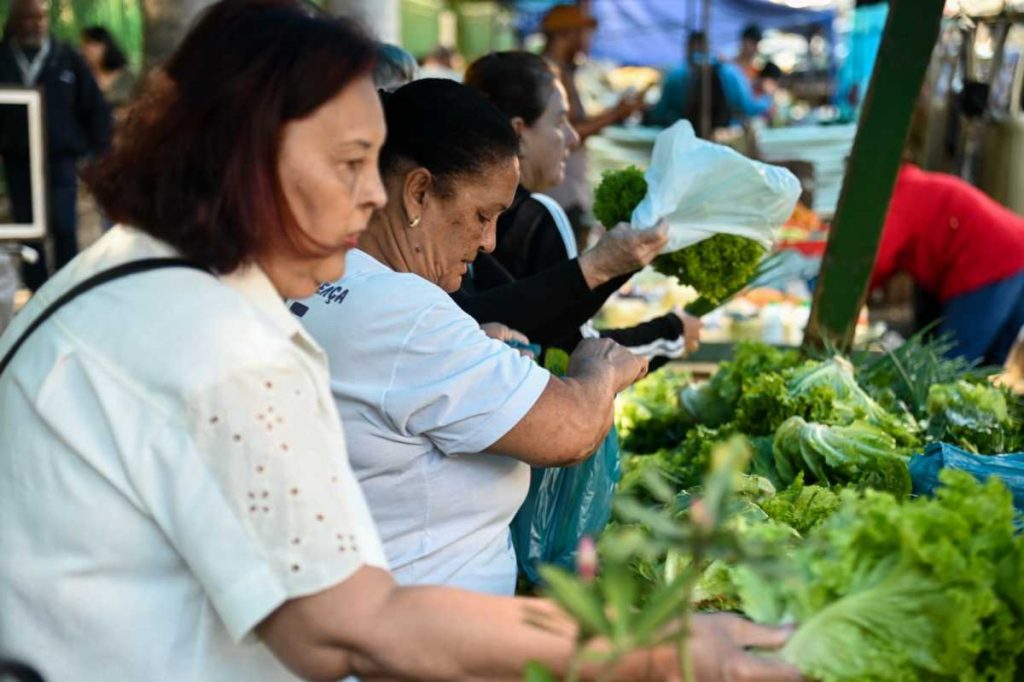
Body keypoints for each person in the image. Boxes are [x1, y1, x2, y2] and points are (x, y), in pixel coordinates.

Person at [0, 2, 803, 681]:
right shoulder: (226, 340)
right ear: (251, 158)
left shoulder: (133, 270)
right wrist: (656, 650)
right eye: (351, 163)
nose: (370, 195)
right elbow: (350, 624)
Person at [291, 78, 649, 596]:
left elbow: (391, 377)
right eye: (484, 215)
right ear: (417, 191)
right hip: (412, 637)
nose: (489, 242)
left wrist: (473, 341)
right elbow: (569, 431)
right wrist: (600, 370)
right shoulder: (402, 311)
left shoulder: (322, 273)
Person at [460, 50, 701, 363]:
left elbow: (484, 319)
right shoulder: (538, 217)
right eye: (560, 121)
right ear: (518, 132)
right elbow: (568, 352)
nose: (573, 137)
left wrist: (610, 267)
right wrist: (670, 332)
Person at [0, 0, 112, 291]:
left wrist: (98, 152)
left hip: (59, 159)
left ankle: (66, 286)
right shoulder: (3, 59)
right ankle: (37, 289)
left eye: (41, 18)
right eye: (28, 18)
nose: (36, 24)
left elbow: (95, 108)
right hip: (18, 160)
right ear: (14, 22)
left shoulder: (66, 58)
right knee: (27, 227)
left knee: (64, 225)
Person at [871, 163, 1024, 367]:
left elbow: (873, 261)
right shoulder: (912, 185)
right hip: (1012, 251)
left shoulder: (899, 197)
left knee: (949, 366)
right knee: (990, 364)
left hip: (990, 263)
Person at [541, 4, 646, 251]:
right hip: (558, 191)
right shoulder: (549, 73)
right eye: (583, 33)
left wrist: (615, 113)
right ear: (567, 34)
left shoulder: (564, 71)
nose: (589, 40)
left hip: (569, 187)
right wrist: (616, 114)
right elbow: (572, 132)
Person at [648, 31, 773, 132]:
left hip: (682, 137)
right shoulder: (729, 71)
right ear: (708, 47)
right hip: (719, 138)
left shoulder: (674, 74)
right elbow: (749, 108)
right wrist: (768, 97)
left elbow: (660, 113)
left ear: (687, 47)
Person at [79, 25, 137, 113]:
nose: (84, 51)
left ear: (105, 46)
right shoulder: (82, 77)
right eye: (83, 47)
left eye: (90, 46)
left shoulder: (127, 76)